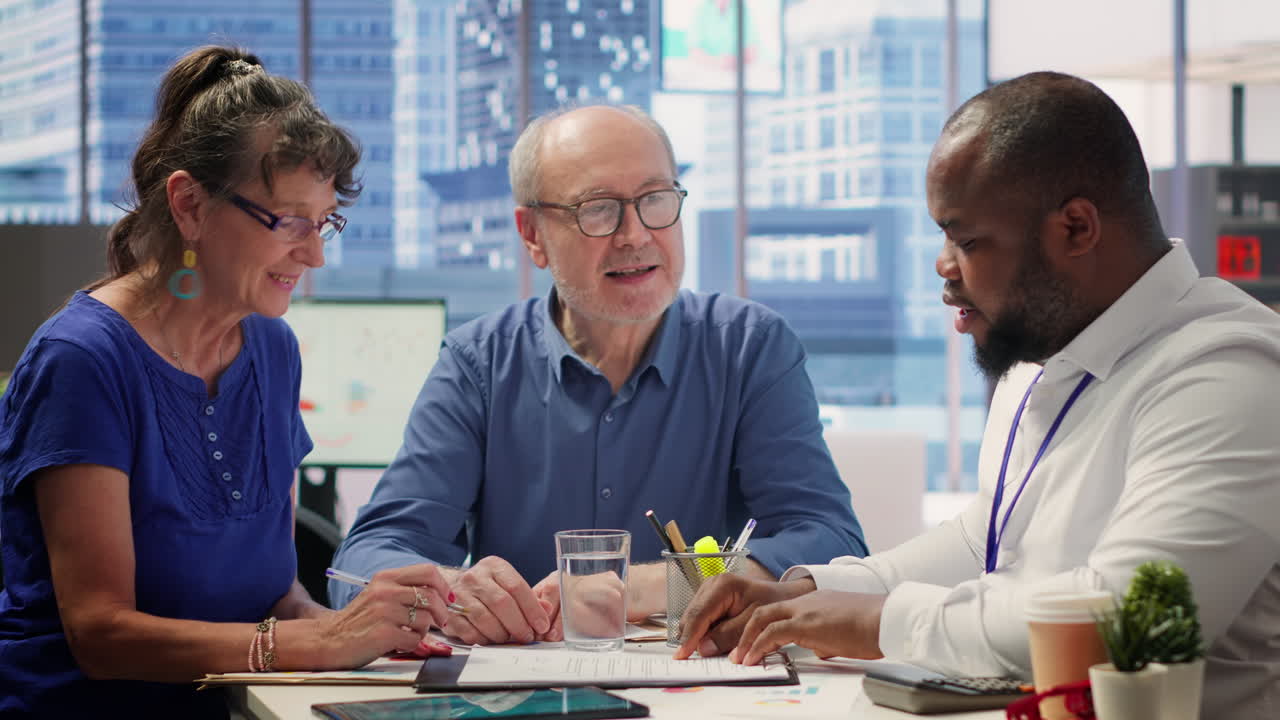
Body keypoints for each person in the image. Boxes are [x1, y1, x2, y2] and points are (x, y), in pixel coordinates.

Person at [675, 71, 1280, 718]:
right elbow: (987, 541)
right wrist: (806, 590)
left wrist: (876, 620)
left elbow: (1121, 619)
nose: (942, 265)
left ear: (1076, 228)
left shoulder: (1229, 371)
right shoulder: (1043, 352)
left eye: (966, 240)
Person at [0, 46, 454, 719]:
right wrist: (316, 640)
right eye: (289, 222)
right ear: (189, 206)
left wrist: (375, 633)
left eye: (325, 221)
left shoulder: (271, 347)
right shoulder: (83, 360)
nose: (315, 252)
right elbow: (100, 634)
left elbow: (274, 599)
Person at [330, 104, 867, 646]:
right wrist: (455, 589)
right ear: (532, 233)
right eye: (598, 210)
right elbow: (367, 557)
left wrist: (647, 587)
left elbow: (831, 543)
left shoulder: (750, 347)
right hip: (520, 691)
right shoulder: (479, 362)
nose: (635, 235)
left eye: (656, 199)